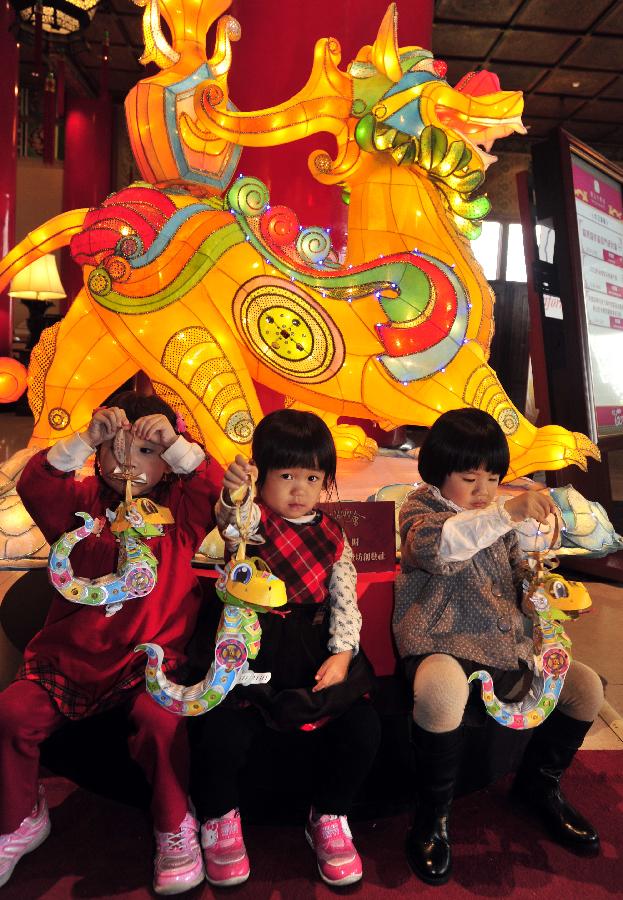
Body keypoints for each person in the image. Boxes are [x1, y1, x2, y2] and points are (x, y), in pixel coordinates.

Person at [0, 391, 223, 894]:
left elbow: (210, 487)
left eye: (147, 452)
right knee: (11, 713)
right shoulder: (80, 509)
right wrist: (84, 438)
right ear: (99, 457)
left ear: (167, 466)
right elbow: (38, 485)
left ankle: (174, 824)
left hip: (148, 663)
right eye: (115, 448)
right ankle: (18, 819)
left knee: (160, 724)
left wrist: (177, 446)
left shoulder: (180, 517)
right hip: (71, 662)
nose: (128, 461)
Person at [393, 408, 604, 886]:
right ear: (437, 472)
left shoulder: (498, 523)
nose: (484, 490)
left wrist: (539, 595)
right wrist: (506, 510)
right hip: (440, 644)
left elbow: (517, 581)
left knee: (586, 688)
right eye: (469, 478)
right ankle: (433, 815)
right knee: (444, 691)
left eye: (492, 478)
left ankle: (538, 786)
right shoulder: (420, 512)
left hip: (504, 648)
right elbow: (445, 550)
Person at [190, 409, 380, 889]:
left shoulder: (333, 534)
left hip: (310, 645)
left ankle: (330, 816)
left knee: (361, 727)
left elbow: (343, 600)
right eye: (286, 475)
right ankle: (218, 817)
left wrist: (342, 653)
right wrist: (237, 492)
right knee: (220, 725)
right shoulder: (254, 525)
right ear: (263, 474)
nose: (300, 490)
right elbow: (234, 523)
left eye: (313, 477)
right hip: (249, 645)